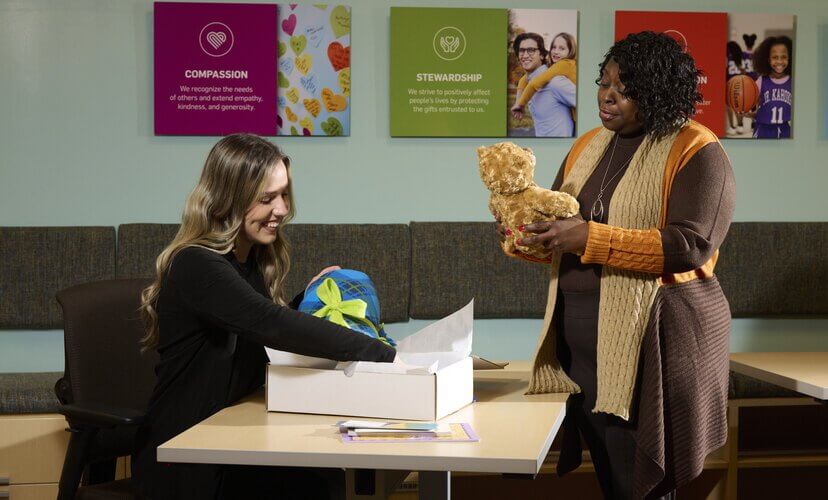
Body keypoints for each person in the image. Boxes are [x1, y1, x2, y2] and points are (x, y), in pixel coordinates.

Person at [499, 31, 735, 499]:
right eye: (603, 82)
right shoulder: (588, 144)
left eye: (625, 90)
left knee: (642, 486)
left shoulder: (697, 149)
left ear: (658, 95)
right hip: (582, 348)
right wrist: (521, 231)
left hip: (657, 343)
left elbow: (691, 245)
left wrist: (589, 236)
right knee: (614, 480)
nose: (607, 96)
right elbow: (557, 228)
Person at [132, 134, 397, 499]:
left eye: (284, 194)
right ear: (228, 200)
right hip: (187, 452)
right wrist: (389, 355)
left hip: (232, 430)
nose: (282, 208)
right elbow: (270, 325)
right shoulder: (196, 264)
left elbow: (255, 331)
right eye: (266, 198)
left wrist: (306, 299)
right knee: (318, 480)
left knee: (323, 474)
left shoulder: (248, 259)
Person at [510, 32, 576, 137]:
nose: (525, 55)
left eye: (531, 50)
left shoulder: (556, 82)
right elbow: (525, 81)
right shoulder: (528, 80)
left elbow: (587, 105)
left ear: (542, 55)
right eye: (521, 50)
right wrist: (518, 102)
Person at [751, 36, 793, 139]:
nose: (779, 61)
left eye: (783, 57)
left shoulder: (793, 82)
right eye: (775, 57)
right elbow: (756, 111)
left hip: (785, 130)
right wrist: (746, 113)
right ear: (768, 60)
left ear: (789, 58)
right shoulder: (761, 81)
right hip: (762, 130)